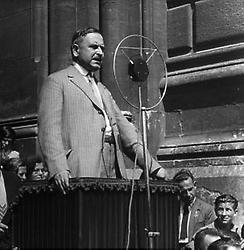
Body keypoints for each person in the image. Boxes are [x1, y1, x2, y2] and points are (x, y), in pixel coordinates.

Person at [38, 27, 167, 194]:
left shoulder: (102, 89)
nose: (100, 52)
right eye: (93, 47)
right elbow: (49, 130)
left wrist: (153, 168)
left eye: (102, 49)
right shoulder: (57, 81)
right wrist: (58, 167)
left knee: (110, 217)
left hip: (113, 169)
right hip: (78, 170)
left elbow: (127, 132)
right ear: (76, 50)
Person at [173, 169, 216, 249]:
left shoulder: (207, 209)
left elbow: (211, 234)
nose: (188, 194)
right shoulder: (172, 208)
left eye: (190, 189)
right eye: (183, 192)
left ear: (195, 185)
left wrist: (196, 242)